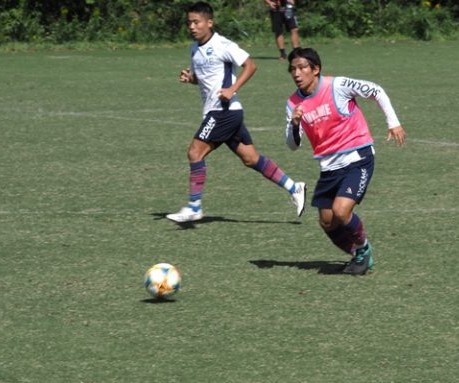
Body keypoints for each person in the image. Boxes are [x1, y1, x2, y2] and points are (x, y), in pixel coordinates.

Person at [167, 1, 306, 223]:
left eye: (196, 22)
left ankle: (194, 206)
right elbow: (206, 80)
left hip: (223, 112)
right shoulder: (194, 49)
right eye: (189, 23)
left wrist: (233, 89)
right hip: (221, 112)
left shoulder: (223, 45)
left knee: (195, 153)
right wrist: (190, 78)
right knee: (251, 159)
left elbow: (250, 65)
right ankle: (294, 187)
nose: (192, 27)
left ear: (209, 23)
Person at [284, 47, 406, 275]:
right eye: (293, 69)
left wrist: (394, 123)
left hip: (357, 157)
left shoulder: (337, 85)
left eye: (302, 68)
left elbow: (376, 90)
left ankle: (363, 249)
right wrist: (295, 123)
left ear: (315, 69)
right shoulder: (293, 104)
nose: (297, 73)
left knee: (341, 211)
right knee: (327, 222)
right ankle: (358, 254)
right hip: (328, 166)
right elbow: (293, 145)